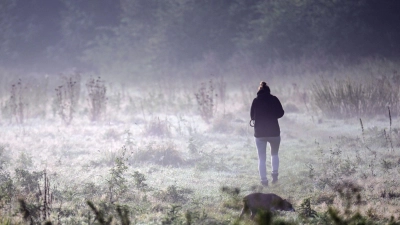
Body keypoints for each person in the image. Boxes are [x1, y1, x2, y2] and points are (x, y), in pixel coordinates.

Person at [250, 81, 284, 186]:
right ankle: (275, 176)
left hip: (259, 133)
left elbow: (252, 116)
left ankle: (264, 181)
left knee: (262, 158)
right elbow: (281, 113)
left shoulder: (255, 101)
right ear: (269, 91)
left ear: (259, 91)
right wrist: (272, 116)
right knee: (274, 154)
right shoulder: (274, 99)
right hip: (274, 131)